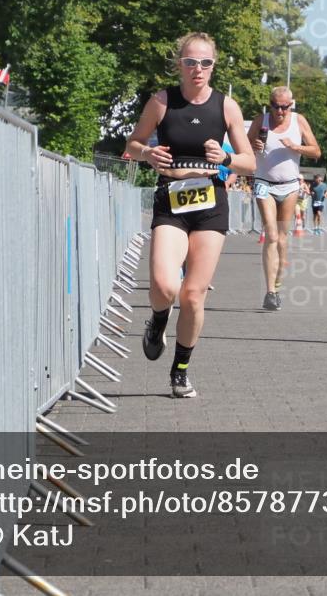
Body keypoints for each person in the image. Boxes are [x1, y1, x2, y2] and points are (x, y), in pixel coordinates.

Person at [125, 32, 255, 398]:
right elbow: (132, 145)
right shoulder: (162, 102)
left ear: (214, 66)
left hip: (211, 203)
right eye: (190, 62)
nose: (198, 69)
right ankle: (158, 319)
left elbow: (250, 162)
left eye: (205, 63)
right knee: (166, 287)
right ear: (179, 64)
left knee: (194, 295)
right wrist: (147, 155)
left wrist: (226, 159)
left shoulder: (226, 106)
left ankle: (180, 370)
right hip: (172, 200)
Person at [248, 86, 322, 310]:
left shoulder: (299, 121)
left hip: (289, 186)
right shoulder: (260, 120)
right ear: (270, 104)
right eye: (276, 106)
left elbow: (316, 151)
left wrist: (295, 146)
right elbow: (243, 146)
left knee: (282, 238)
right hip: (263, 183)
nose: (280, 111)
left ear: (292, 105)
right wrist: (253, 145)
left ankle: (278, 284)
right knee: (270, 234)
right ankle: (270, 292)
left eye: (285, 107)